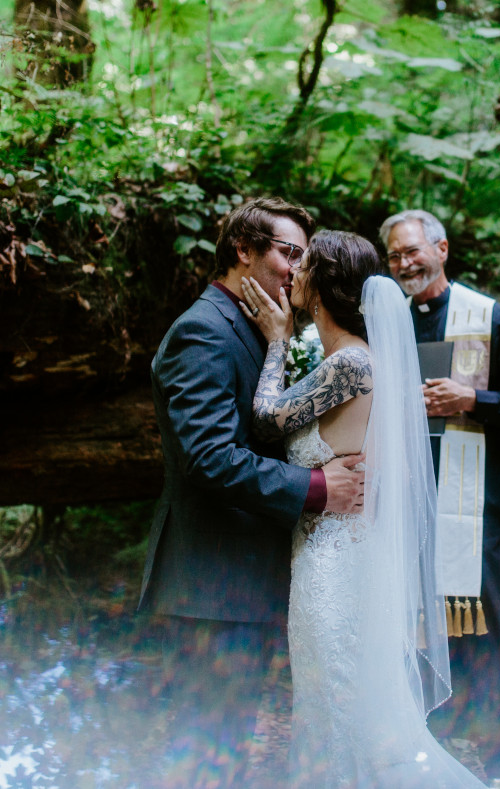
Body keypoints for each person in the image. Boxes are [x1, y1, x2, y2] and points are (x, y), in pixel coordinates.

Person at [239, 230, 485, 788]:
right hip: (331, 557)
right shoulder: (350, 359)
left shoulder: (350, 363)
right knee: (333, 712)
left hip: (337, 568)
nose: (293, 274)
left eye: (303, 267)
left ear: (321, 287)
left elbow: (265, 419)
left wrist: (277, 341)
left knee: (347, 714)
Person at [139, 198, 366, 789]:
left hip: (244, 577)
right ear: (244, 250)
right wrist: (318, 487)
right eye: (287, 253)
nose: (297, 269)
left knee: (228, 738)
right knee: (207, 741)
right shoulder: (204, 330)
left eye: (303, 257)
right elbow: (208, 458)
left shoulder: (259, 328)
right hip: (214, 579)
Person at [380, 209, 500, 789]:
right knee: (420, 632)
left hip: (478, 517)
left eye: (412, 251)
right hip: (406, 513)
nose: (404, 263)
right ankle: (429, 758)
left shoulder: (487, 316)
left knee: (495, 633)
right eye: (395, 256)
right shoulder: (388, 323)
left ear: (442, 248)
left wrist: (472, 400)